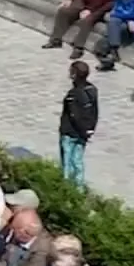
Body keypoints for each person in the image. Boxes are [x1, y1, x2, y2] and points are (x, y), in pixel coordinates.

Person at [59, 59, 98, 187]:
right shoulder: (92, 90)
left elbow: (74, 116)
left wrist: (82, 131)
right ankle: (79, 187)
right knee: (78, 161)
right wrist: (90, 129)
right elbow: (95, 111)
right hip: (84, 133)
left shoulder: (73, 95)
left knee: (67, 163)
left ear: (74, 75)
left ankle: (67, 189)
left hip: (70, 132)